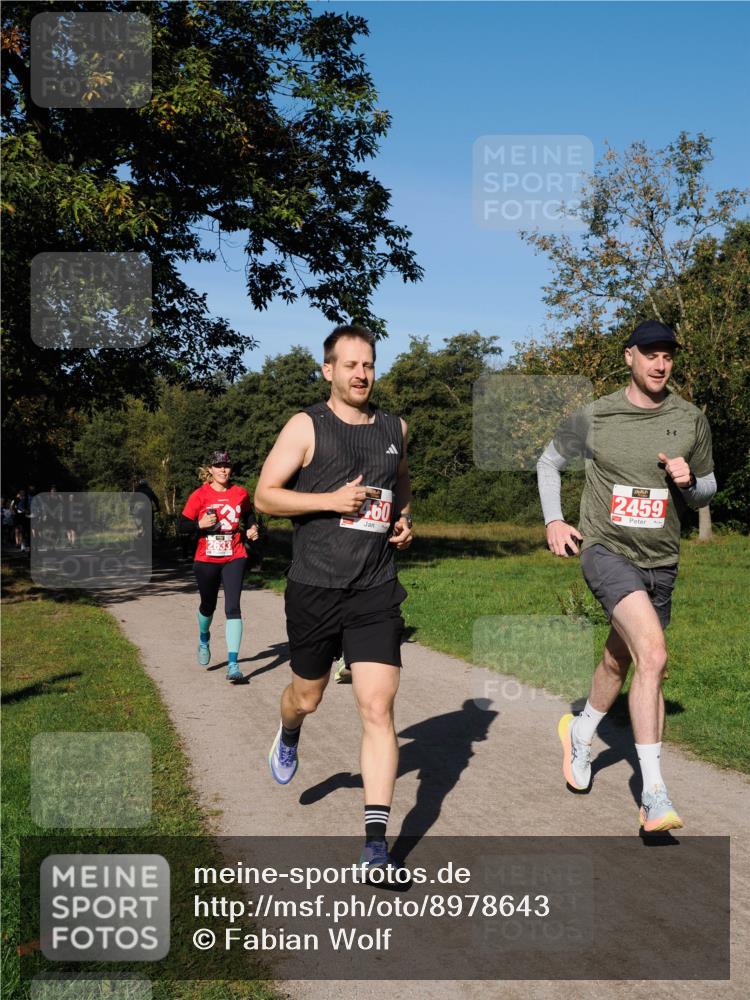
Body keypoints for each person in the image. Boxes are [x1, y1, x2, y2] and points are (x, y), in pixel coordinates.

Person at [536, 320, 716, 833]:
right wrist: (554, 519)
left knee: (621, 660)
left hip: (661, 558)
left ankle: (581, 731)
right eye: (651, 355)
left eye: (668, 356)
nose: (661, 364)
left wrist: (689, 483)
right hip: (606, 549)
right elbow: (549, 462)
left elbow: (706, 489)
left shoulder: (690, 418)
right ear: (629, 358)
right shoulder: (597, 415)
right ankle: (654, 794)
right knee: (654, 656)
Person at [254, 324, 413, 874]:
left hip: (374, 588)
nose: (362, 374)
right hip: (315, 587)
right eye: (350, 365)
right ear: (329, 371)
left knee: (377, 707)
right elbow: (265, 496)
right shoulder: (306, 426)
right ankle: (290, 731)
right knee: (308, 696)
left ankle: (375, 845)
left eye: (368, 364)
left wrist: (403, 519)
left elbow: (401, 483)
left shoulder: (395, 428)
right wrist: (331, 499)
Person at [180, 451, 259, 681]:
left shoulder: (240, 493)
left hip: (235, 554)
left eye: (226, 466)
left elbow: (249, 514)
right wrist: (199, 524)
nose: (223, 470)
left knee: (233, 607)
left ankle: (233, 664)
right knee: (208, 605)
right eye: (218, 466)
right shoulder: (200, 495)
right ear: (211, 470)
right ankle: (204, 638)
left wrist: (252, 529)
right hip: (206, 558)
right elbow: (183, 525)